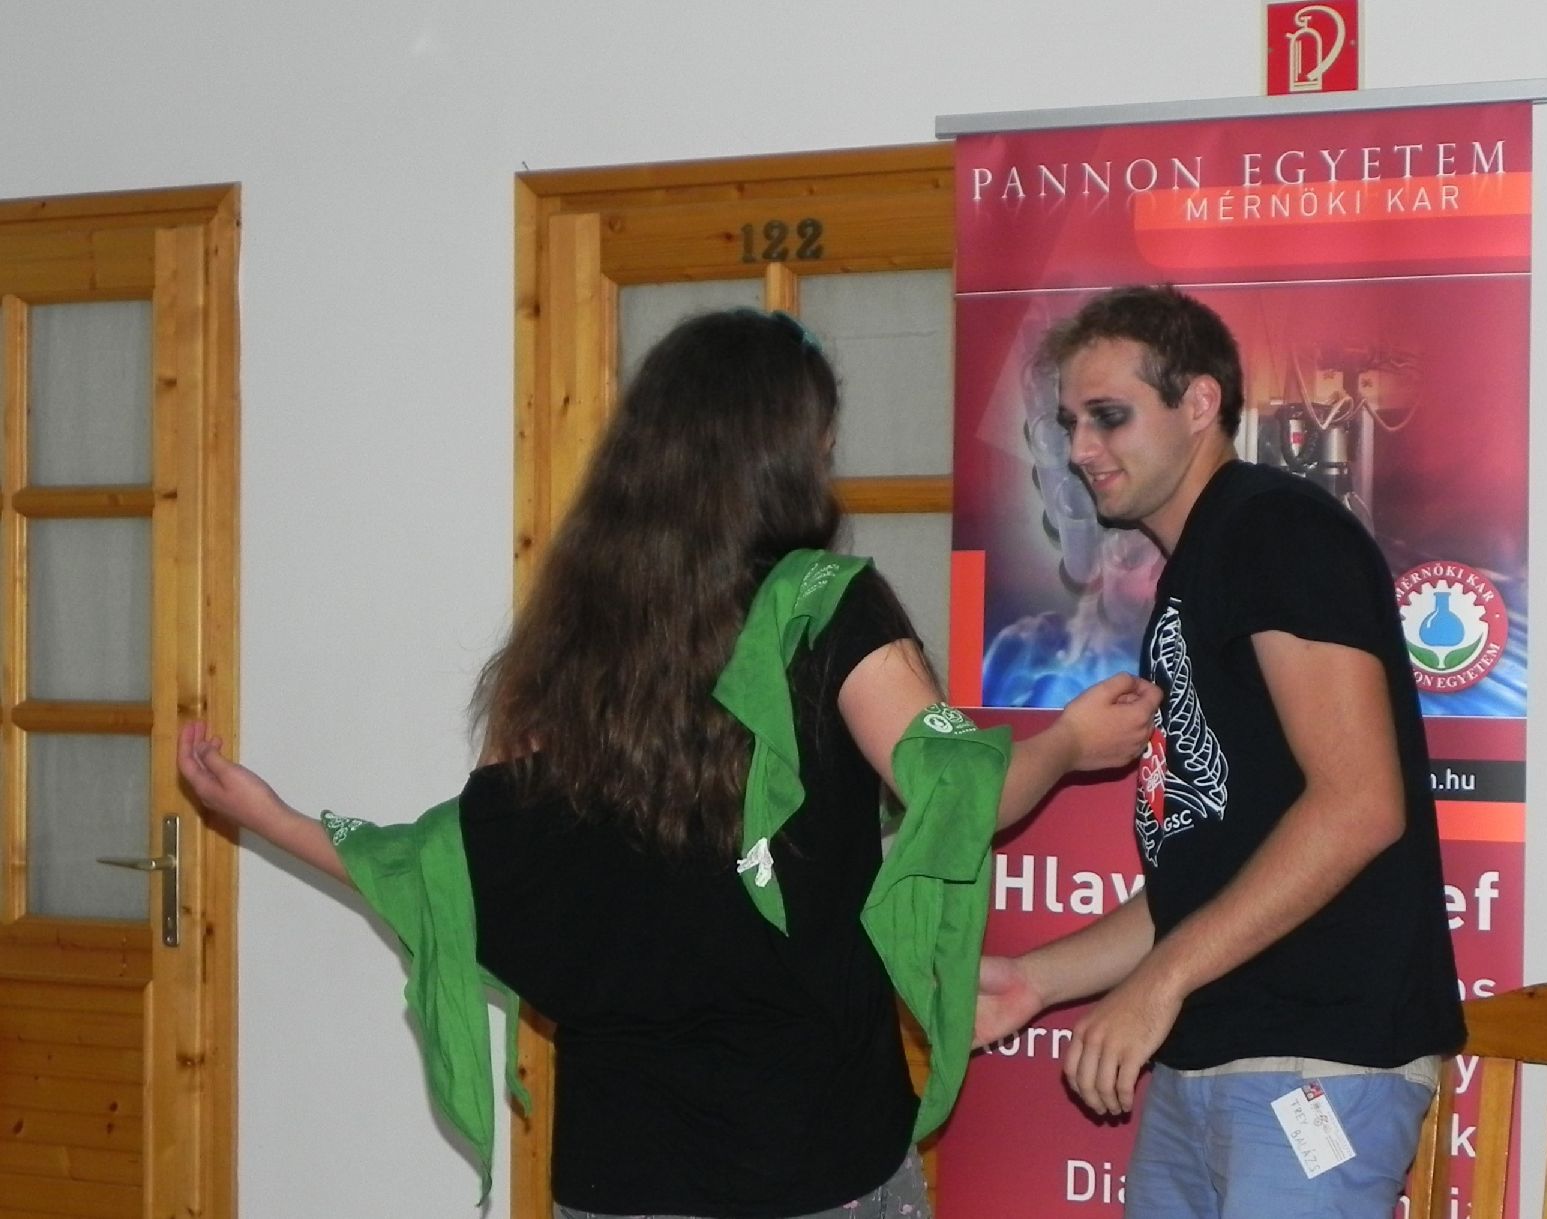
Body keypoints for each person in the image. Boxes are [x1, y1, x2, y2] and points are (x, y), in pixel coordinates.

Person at [178, 307, 1161, 1219]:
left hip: (619, 1173)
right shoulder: (823, 604)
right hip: (812, 1158)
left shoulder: (570, 640)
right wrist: (1070, 743)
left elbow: (453, 868)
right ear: (785, 454)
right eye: (822, 441)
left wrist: (273, 817)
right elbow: (957, 790)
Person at [974, 286, 1464, 1219]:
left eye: (1109, 416)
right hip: (1206, 1060)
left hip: (1312, 1062)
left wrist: (1157, 983)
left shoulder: (1274, 530)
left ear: (1199, 402)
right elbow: (1207, 877)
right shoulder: (1199, 565)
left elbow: (1359, 805)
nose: (1080, 449)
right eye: (1070, 423)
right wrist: (1034, 981)